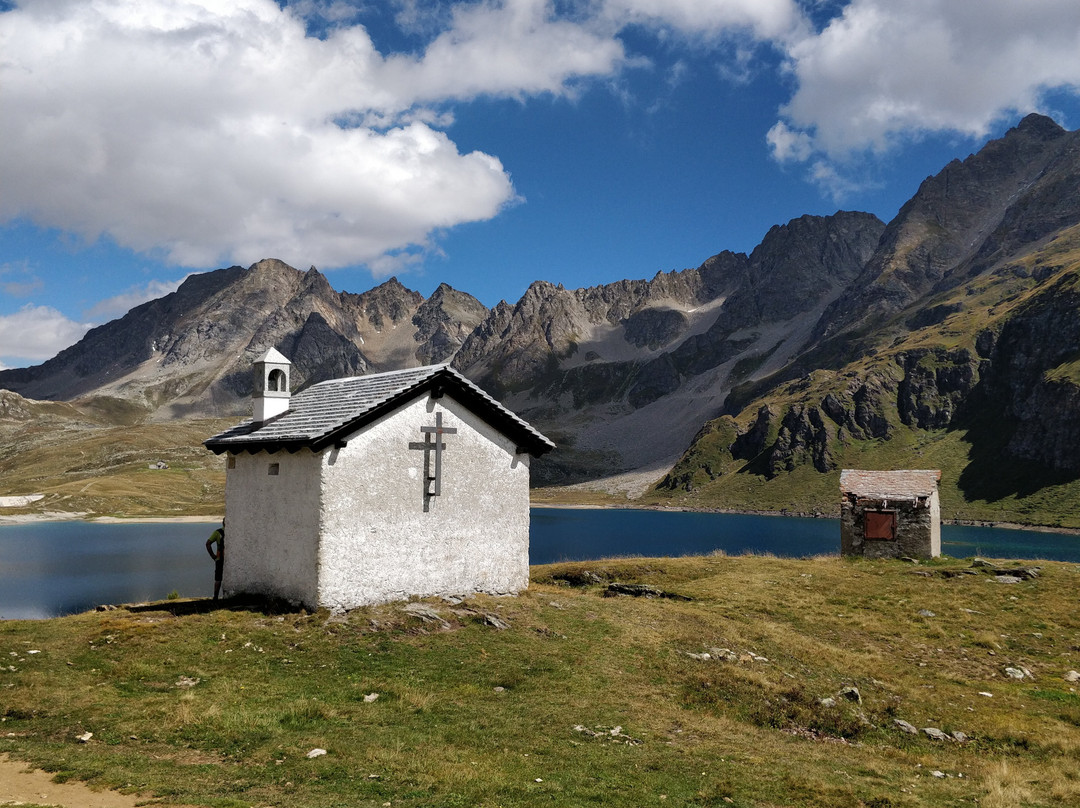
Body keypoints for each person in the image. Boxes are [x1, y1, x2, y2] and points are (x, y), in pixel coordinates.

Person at [206, 522, 224, 601]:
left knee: (218, 579)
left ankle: (215, 597)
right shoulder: (234, 532)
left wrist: (213, 556)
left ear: (222, 523)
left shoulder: (218, 532)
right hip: (230, 560)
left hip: (219, 559)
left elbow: (208, 543)